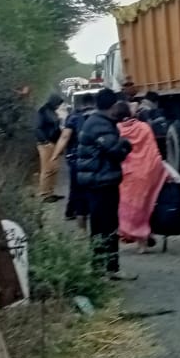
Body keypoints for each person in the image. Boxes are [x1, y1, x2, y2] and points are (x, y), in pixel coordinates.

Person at [75, 88, 135, 281]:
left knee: (103, 226)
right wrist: (126, 144)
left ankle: (104, 268)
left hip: (97, 180)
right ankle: (105, 269)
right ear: (112, 105)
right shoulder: (101, 125)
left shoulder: (95, 121)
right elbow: (115, 151)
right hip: (101, 181)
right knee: (105, 226)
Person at [116, 104, 168, 253]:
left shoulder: (117, 129)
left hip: (127, 175)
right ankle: (144, 240)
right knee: (146, 207)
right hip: (146, 172)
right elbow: (153, 151)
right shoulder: (144, 127)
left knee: (130, 208)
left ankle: (136, 236)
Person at [55, 92, 96, 230]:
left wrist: (55, 154)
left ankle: (81, 228)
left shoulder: (73, 117)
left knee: (77, 191)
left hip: (77, 160)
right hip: (97, 160)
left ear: (81, 104)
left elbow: (65, 137)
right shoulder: (100, 117)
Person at [34, 93, 65, 202]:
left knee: (54, 168)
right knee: (47, 169)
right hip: (45, 144)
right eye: (58, 104)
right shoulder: (42, 111)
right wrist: (45, 141)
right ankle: (44, 193)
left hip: (53, 142)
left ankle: (51, 192)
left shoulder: (51, 112)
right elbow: (37, 128)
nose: (58, 106)